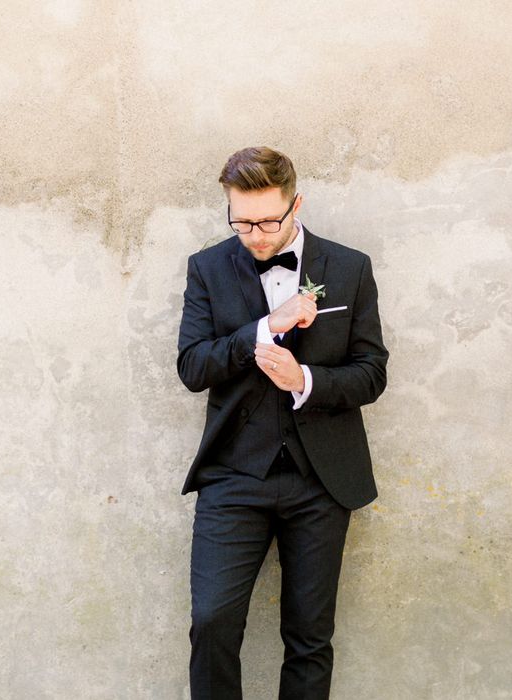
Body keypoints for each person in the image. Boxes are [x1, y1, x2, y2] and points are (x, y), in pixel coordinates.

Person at [176, 146, 389, 699]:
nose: (256, 235)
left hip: (321, 479)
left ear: (298, 204)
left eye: (269, 221)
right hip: (233, 476)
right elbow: (193, 366)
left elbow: (371, 373)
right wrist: (262, 329)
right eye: (242, 222)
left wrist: (306, 382)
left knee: (310, 637)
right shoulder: (207, 268)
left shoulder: (349, 268)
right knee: (213, 621)